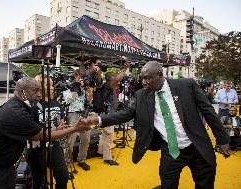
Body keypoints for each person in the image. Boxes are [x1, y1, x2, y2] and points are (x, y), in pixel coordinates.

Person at [83, 61, 231, 189]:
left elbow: (209, 112)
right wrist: (98, 120)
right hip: (171, 150)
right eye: (142, 78)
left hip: (197, 147)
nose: (144, 82)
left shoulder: (186, 85)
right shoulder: (142, 95)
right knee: (167, 185)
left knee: (204, 185)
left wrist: (223, 140)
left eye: (148, 78)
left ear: (160, 75)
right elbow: (126, 114)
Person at [0, 77, 90, 189]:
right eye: (35, 90)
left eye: (40, 90)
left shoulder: (21, 106)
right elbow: (42, 135)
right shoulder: (16, 112)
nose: (39, 94)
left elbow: (37, 131)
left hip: (5, 164)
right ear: (22, 92)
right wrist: (75, 128)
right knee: (39, 181)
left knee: (61, 177)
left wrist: (57, 129)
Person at [25, 75, 69, 189]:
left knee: (63, 177)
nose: (52, 87)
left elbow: (62, 123)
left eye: (52, 84)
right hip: (36, 149)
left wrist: (63, 127)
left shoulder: (57, 104)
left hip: (54, 146)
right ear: (38, 87)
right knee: (39, 182)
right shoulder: (32, 105)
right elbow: (30, 130)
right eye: (48, 84)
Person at [97, 65, 128, 166]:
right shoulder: (108, 85)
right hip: (109, 113)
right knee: (109, 135)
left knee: (104, 134)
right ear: (109, 78)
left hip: (106, 113)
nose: (116, 77)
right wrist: (123, 70)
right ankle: (107, 158)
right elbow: (118, 79)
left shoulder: (106, 85)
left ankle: (101, 152)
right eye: (113, 76)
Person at [63, 70, 91, 171]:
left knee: (86, 139)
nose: (81, 79)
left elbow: (89, 100)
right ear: (74, 77)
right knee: (71, 140)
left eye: (82, 77)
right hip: (73, 114)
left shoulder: (83, 89)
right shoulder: (68, 87)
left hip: (83, 114)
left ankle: (81, 160)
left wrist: (88, 88)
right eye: (79, 77)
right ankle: (66, 164)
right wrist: (76, 87)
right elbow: (68, 100)